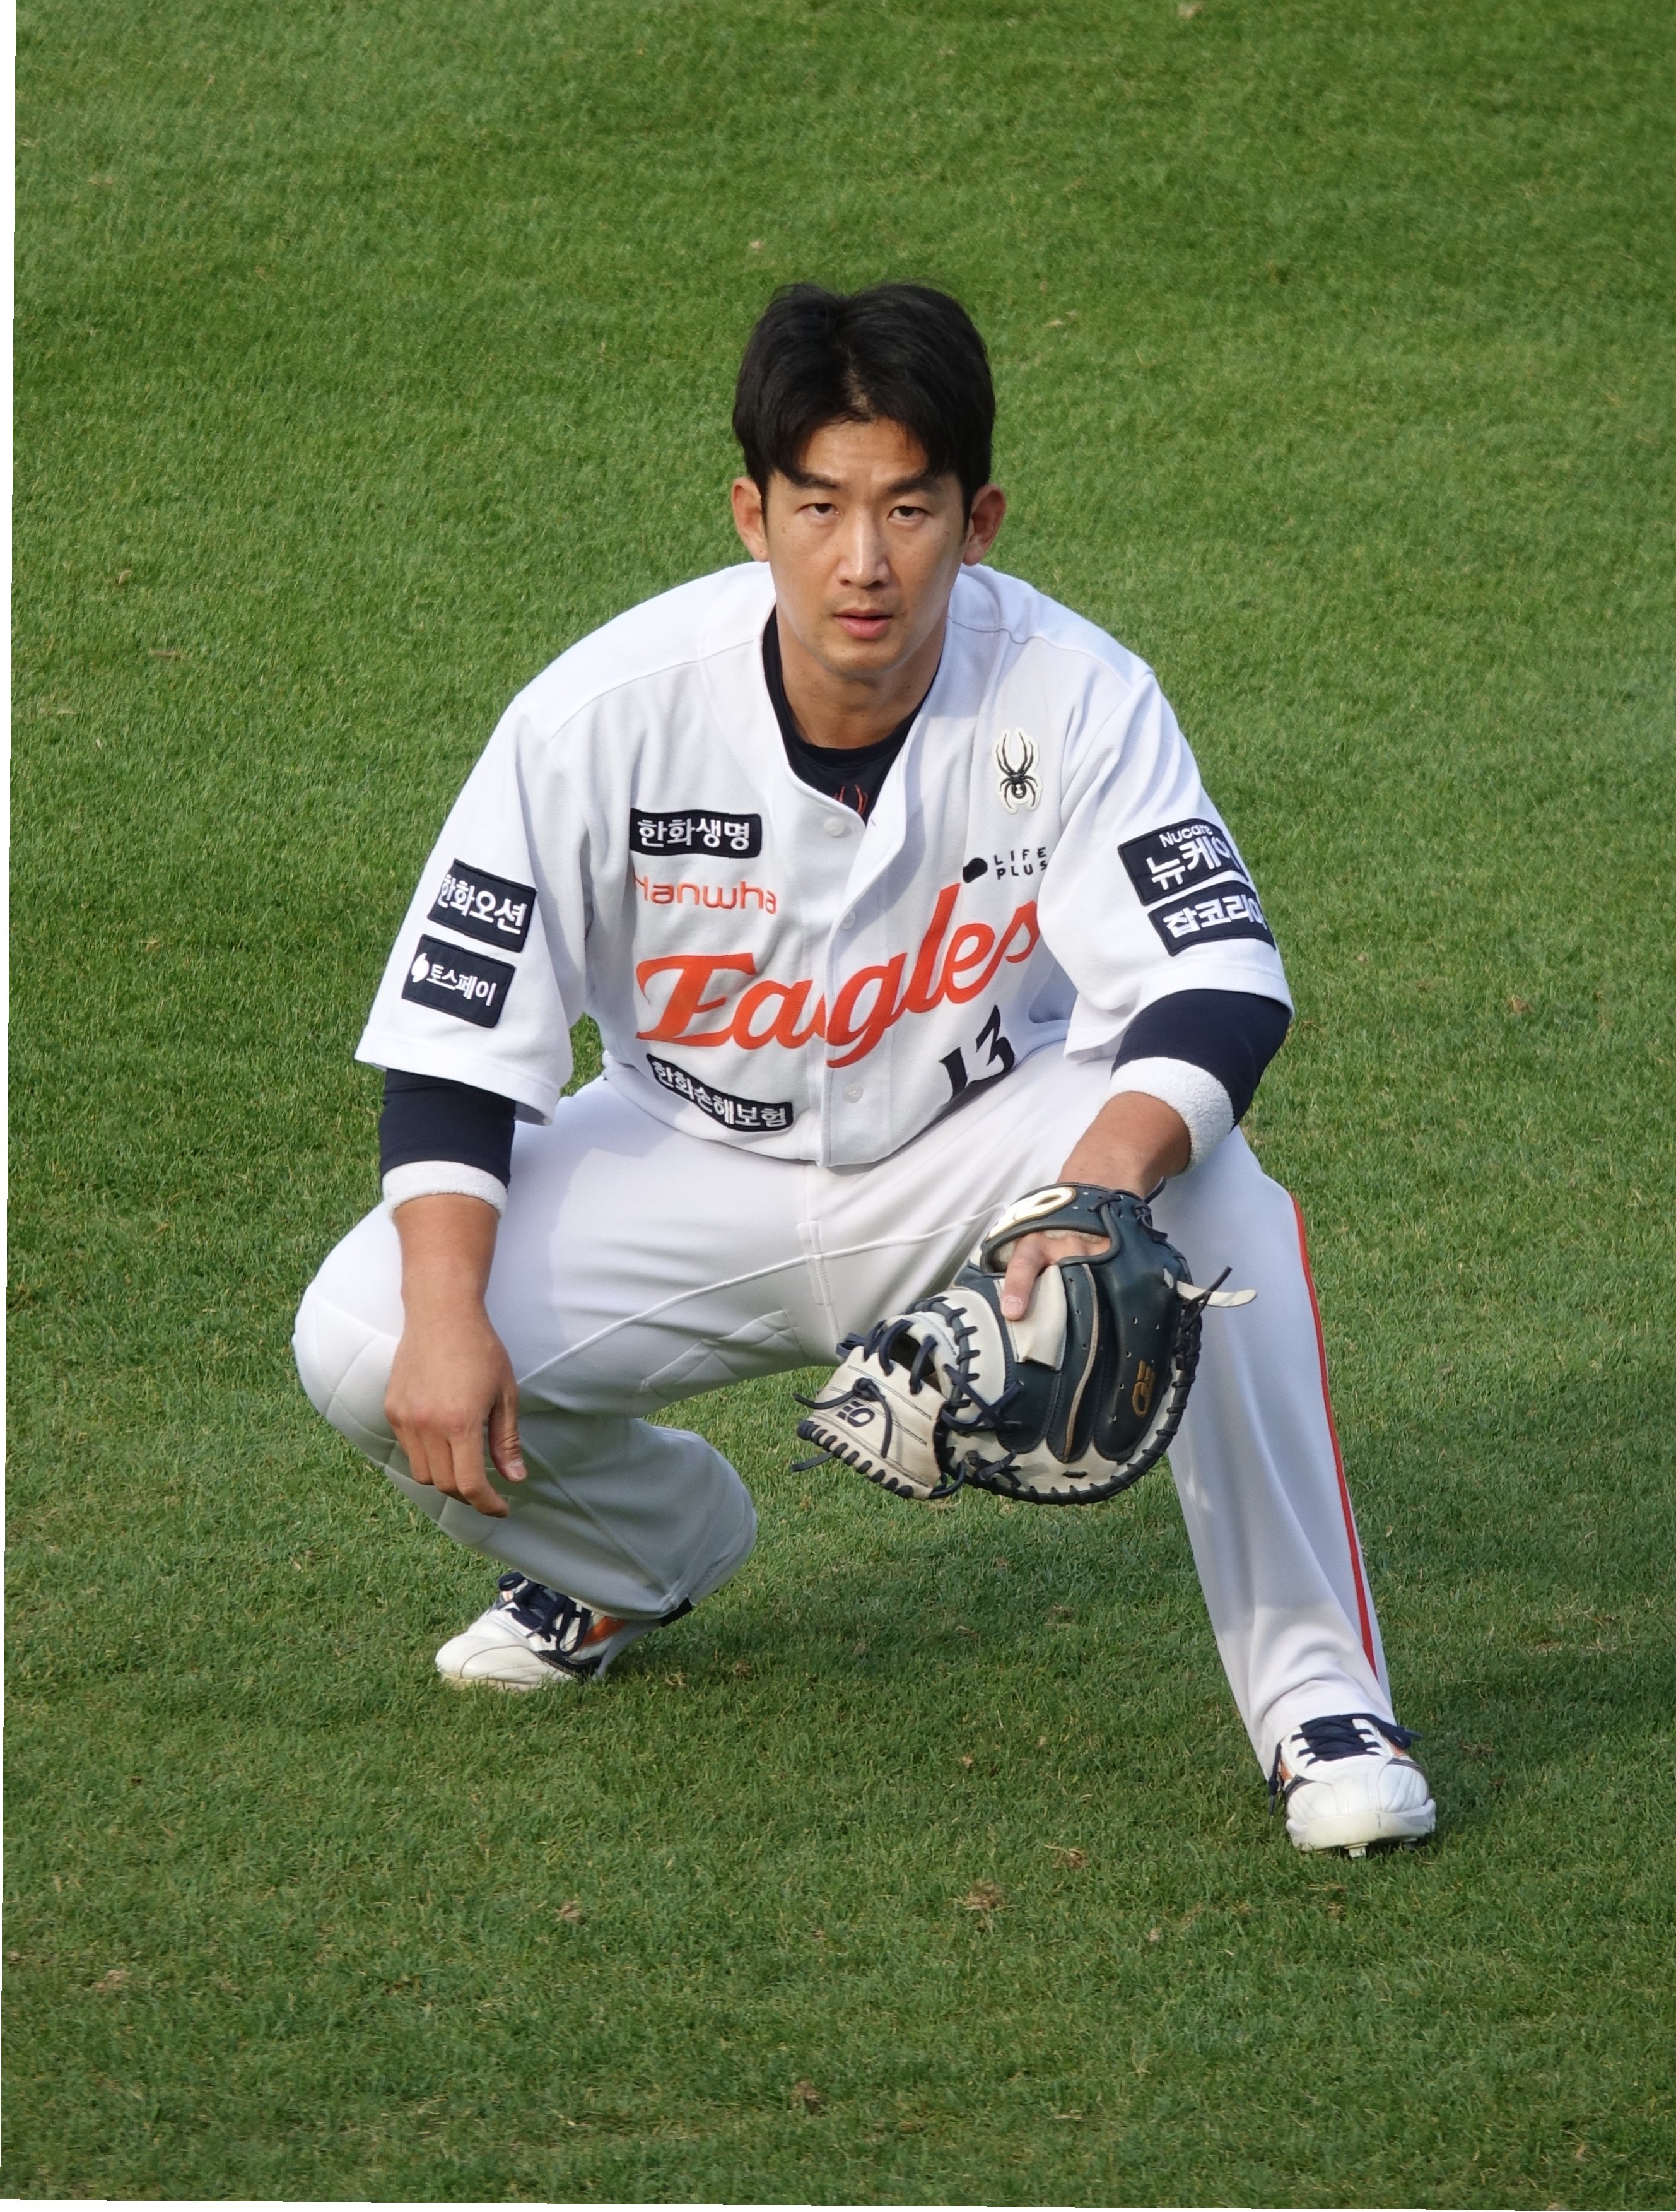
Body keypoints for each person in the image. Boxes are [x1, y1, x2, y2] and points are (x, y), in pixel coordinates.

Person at [294, 282, 1434, 1856]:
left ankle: (1320, 1702)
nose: (862, 561)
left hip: (981, 1144)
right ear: (750, 515)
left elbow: (1217, 976)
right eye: (820, 506)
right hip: (683, 1159)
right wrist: (443, 1315)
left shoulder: (1072, 689)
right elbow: (451, 1049)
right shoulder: (598, 717)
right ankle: (634, 1554)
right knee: (363, 1332)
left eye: (907, 507)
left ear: (978, 521)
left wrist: (1093, 1194)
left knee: (1212, 1196)